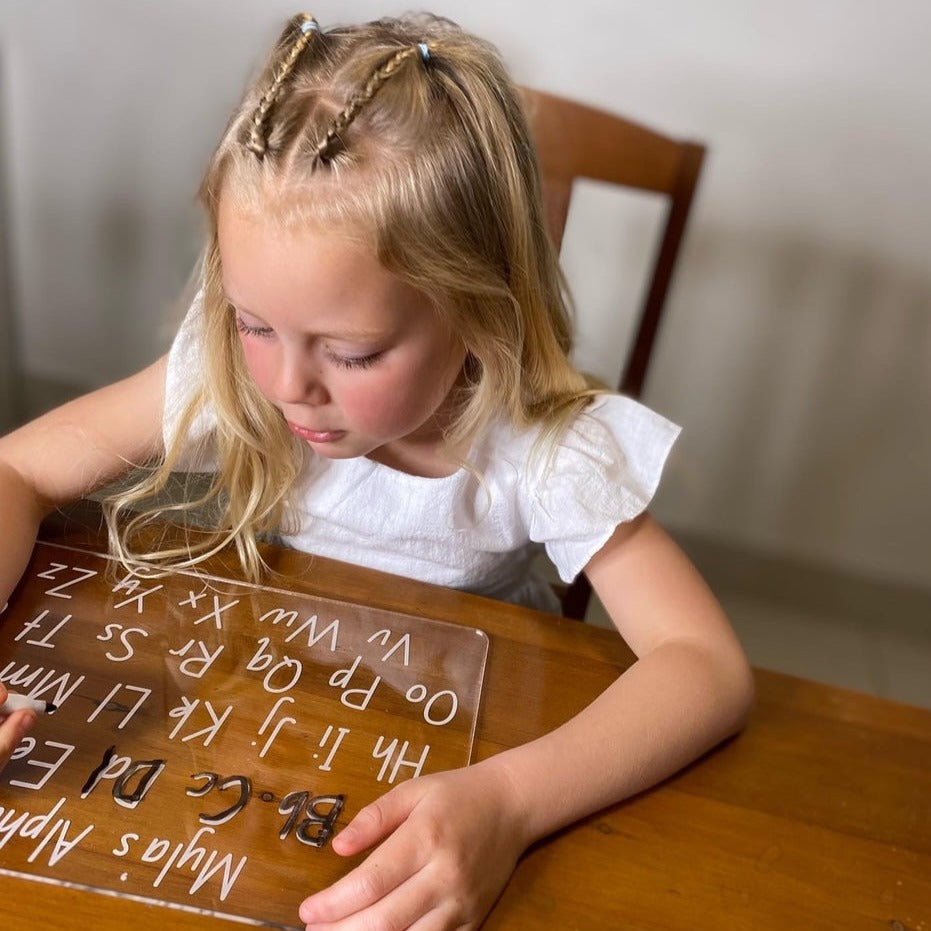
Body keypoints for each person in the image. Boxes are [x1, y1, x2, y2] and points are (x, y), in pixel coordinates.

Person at [0, 12, 755, 930]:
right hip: (270, 748)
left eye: (352, 354)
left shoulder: (543, 452)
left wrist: (509, 801)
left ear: (479, 310)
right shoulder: (237, 377)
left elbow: (704, 665)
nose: (285, 385)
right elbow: (18, 469)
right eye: (253, 320)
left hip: (457, 769)